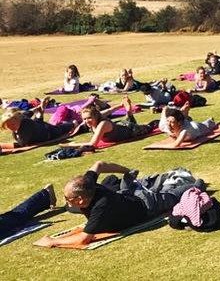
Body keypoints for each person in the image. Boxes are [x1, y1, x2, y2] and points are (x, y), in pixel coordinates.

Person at [34, 160, 202, 247]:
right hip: (126, 195)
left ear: (80, 199)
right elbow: (99, 165)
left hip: (147, 205)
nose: (66, 202)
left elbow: (83, 239)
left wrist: (52, 241)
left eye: (68, 198)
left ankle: (196, 184)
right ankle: (147, 178)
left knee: (181, 193)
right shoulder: (88, 184)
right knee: (141, 185)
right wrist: (125, 171)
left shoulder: (101, 207)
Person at [59, 96, 151, 149]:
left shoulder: (102, 124)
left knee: (151, 126)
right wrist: (120, 105)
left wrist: (71, 145)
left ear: (95, 116)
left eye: (89, 118)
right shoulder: (93, 119)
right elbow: (109, 111)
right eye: (85, 119)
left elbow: (92, 144)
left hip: (131, 130)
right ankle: (129, 112)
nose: (86, 121)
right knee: (125, 123)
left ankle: (129, 113)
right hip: (120, 126)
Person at [1, 107, 78, 153]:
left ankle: (74, 124)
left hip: (48, 131)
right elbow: (28, 113)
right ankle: (40, 114)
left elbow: (22, 144)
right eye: (8, 126)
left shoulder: (25, 125)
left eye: (12, 124)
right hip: (38, 127)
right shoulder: (20, 120)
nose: (11, 127)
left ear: (18, 120)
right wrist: (36, 109)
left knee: (60, 129)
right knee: (52, 124)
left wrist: (3, 146)